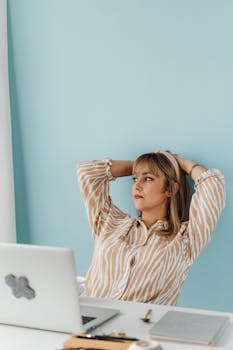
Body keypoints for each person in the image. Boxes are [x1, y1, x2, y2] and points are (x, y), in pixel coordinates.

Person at [77, 151, 225, 305]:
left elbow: (212, 184)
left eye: (148, 179)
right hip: (87, 322)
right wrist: (144, 166)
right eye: (135, 178)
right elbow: (87, 173)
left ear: (171, 189)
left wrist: (181, 164)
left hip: (142, 326)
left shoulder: (185, 240)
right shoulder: (110, 224)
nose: (137, 186)